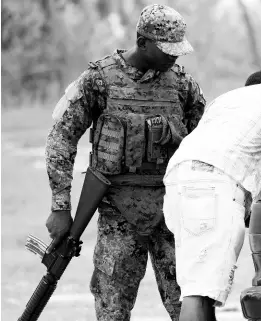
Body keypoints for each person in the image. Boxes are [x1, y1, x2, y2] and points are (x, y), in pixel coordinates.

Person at [44, 4, 205, 321]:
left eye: (178, 50)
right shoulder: (99, 80)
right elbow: (61, 137)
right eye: (166, 50)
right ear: (142, 42)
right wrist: (60, 206)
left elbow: (205, 144)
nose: (174, 57)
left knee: (189, 304)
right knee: (112, 308)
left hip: (172, 211)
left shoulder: (183, 84)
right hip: (119, 210)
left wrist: (173, 136)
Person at [162, 70, 261, 321]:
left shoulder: (226, 101)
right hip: (215, 185)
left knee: (202, 289)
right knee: (197, 292)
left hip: (178, 181)